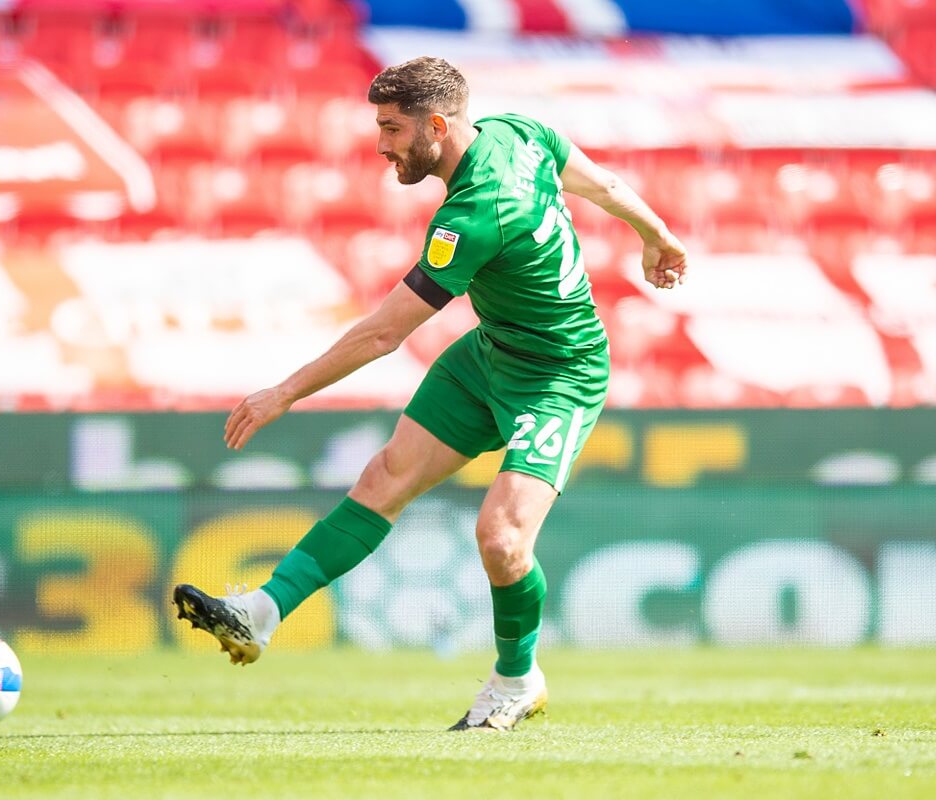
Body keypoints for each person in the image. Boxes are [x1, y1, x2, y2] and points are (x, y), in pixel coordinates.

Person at [173, 56, 688, 731]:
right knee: (384, 479)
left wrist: (284, 393)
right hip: (489, 356)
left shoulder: (472, 217)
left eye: (391, 129)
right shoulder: (519, 132)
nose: (382, 146)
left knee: (502, 539)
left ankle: (516, 679)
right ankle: (261, 614)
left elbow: (384, 334)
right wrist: (657, 233)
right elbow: (604, 184)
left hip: (559, 376)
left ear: (437, 125)